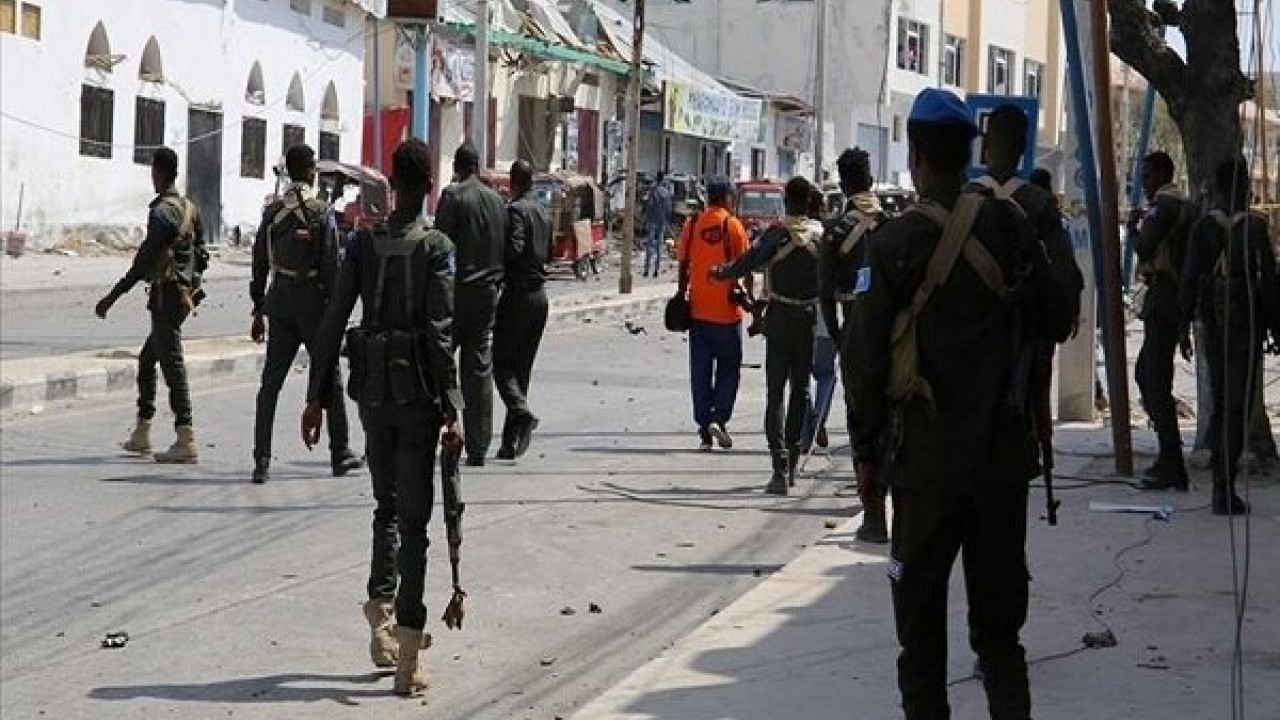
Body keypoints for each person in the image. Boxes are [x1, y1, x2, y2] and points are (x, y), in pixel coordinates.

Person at [846, 88, 1076, 719]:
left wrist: (866, 456)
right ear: (968, 156)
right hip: (1000, 463)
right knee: (1000, 639)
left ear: (916, 155)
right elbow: (1062, 315)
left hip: (922, 468)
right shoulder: (1013, 225)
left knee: (920, 645)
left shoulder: (891, 244)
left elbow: (862, 361)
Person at [301, 139, 463, 696]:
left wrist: (315, 394)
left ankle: (382, 614)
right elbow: (441, 335)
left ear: (393, 184)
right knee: (415, 524)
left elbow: (332, 319)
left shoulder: (363, 248)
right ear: (429, 188)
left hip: (371, 396)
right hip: (417, 401)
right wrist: (454, 406)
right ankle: (409, 658)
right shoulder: (438, 248)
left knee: (385, 509)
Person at [249, 144, 363, 483]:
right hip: (313, 307)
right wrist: (334, 310)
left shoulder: (272, 214)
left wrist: (258, 305)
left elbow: (259, 263)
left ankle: (262, 461)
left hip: (280, 303)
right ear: (311, 172)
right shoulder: (321, 212)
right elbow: (331, 267)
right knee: (330, 379)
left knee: (270, 384)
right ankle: (339, 453)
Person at [1178, 158, 1280, 515]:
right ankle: (1225, 486)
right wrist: (1276, 328)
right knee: (1237, 405)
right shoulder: (1254, 228)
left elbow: (1189, 280)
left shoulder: (1204, 228)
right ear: (1245, 189)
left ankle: (1221, 485)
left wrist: (1183, 329)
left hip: (1214, 323)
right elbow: (1269, 281)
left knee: (1223, 404)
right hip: (1246, 325)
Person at [96, 147, 206, 464]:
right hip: (182, 297)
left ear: (158, 171)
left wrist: (113, 296)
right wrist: (191, 283)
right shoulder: (189, 208)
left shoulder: (161, 212)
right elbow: (202, 254)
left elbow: (144, 260)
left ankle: (186, 437)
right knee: (148, 359)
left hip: (166, 297)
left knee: (172, 365)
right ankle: (142, 432)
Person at [713, 177, 822, 496]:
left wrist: (720, 273)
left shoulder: (776, 235)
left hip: (779, 319)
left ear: (787, 202)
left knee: (776, 394)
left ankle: (778, 467)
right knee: (800, 392)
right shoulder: (822, 236)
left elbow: (747, 263)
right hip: (808, 319)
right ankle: (790, 468)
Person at [821, 147, 888, 542]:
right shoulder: (894, 223)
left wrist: (839, 338)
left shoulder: (836, 230)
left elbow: (825, 293)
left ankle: (875, 517)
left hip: (857, 336)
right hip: (895, 333)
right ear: (871, 180)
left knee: (862, 422)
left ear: (844, 184)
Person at [434, 143, 507, 466]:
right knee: (479, 368)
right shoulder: (496, 201)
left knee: (443, 365)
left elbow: (438, 247)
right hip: (486, 293)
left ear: (458, 168)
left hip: (455, 293)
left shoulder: (452, 196)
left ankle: (446, 433)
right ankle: (479, 446)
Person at [675, 176, 750, 451]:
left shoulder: (693, 224)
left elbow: (683, 264)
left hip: (698, 312)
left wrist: (681, 294)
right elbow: (745, 266)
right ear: (728, 197)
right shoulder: (734, 226)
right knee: (729, 369)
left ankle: (704, 429)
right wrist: (750, 300)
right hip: (728, 314)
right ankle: (719, 417)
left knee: (700, 372)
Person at [1131, 151, 1192, 491]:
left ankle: (1171, 460)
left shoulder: (1164, 205)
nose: (1144, 184)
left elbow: (1145, 246)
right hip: (1171, 297)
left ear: (1161, 175)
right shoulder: (1179, 203)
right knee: (1150, 375)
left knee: (1152, 378)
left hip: (1164, 296)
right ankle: (1170, 457)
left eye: (1148, 176)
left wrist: (1135, 228)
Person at [494, 160, 552, 460]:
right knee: (521, 370)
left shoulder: (515, 211)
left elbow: (514, 249)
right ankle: (510, 442)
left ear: (512, 182)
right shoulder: (543, 212)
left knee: (501, 363)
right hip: (540, 297)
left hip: (518, 294)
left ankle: (518, 410)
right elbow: (550, 253)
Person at [800, 184, 836, 456]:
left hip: (798, 315)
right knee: (825, 374)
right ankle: (819, 418)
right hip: (825, 317)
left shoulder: (789, 233)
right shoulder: (829, 236)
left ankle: (808, 420)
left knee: (800, 376)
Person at [644, 172, 673, 277]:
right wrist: (667, 220)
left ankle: (647, 269)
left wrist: (646, 217)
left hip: (653, 220)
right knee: (659, 245)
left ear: (656, 179)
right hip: (662, 221)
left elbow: (650, 205)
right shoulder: (666, 192)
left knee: (650, 245)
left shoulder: (653, 191)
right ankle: (656, 269)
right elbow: (669, 209)